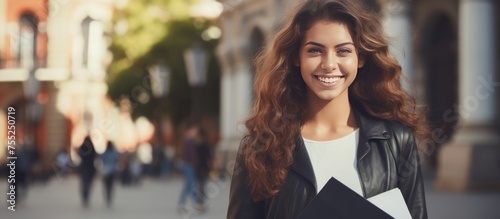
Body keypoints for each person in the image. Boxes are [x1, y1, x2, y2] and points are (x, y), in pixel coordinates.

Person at [227, 0, 428, 218]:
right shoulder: (259, 148)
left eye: (343, 51)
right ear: (296, 58)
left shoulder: (397, 141)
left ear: (360, 58)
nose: (329, 64)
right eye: (315, 51)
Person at [77, 135, 97, 208]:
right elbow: (95, 156)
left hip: (84, 167)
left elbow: (79, 154)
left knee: (84, 183)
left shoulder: (83, 147)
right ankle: (86, 196)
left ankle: (85, 196)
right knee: (88, 184)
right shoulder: (92, 147)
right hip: (90, 168)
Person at [99, 140, 120, 207]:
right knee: (111, 186)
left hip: (106, 171)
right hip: (113, 171)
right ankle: (109, 198)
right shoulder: (114, 153)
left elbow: (102, 160)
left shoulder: (105, 153)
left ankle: (107, 198)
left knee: (106, 186)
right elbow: (117, 161)